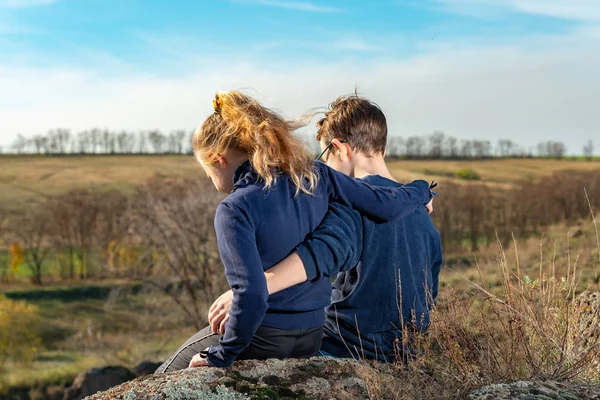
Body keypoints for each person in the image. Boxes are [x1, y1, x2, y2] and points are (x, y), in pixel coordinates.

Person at [155, 91, 434, 372]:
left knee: (170, 370)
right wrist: (422, 189)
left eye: (325, 155)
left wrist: (247, 293)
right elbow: (427, 292)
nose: (322, 164)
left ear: (339, 148)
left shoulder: (345, 208)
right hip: (405, 353)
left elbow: (319, 255)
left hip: (342, 346)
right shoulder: (423, 215)